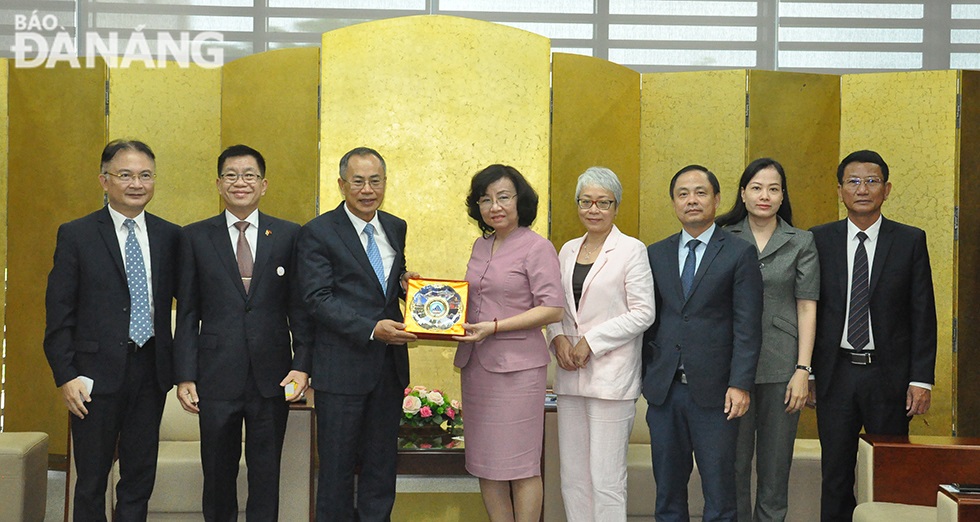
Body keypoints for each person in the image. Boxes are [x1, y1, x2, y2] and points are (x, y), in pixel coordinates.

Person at [173, 144, 312, 521]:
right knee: (218, 473)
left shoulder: (288, 234)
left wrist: (302, 365)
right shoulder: (194, 237)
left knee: (267, 472)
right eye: (231, 175)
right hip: (215, 374)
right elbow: (186, 312)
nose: (240, 182)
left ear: (264, 184)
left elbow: (299, 309)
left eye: (249, 175)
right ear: (218, 184)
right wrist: (185, 374)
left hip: (273, 374)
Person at [43, 139, 180, 520]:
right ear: (104, 180)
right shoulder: (77, 234)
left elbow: (187, 306)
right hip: (92, 378)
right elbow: (58, 314)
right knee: (91, 480)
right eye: (125, 175)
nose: (137, 183)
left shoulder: (171, 236)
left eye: (145, 175)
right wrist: (66, 375)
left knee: (139, 477)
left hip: (151, 371)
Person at [810, 150, 937, 522]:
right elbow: (808, 310)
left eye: (872, 181)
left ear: (887, 189)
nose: (862, 189)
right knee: (835, 474)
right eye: (853, 181)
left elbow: (922, 313)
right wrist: (810, 373)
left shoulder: (910, 240)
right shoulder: (818, 239)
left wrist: (921, 379)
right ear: (839, 191)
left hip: (890, 376)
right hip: (836, 374)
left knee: (890, 472)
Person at [296, 147, 418, 522]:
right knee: (336, 470)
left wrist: (407, 288)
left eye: (376, 181)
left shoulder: (395, 226)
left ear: (385, 183)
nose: (368, 189)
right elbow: (317, 299)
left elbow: (379, 285)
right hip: (341, 370)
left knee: (381, 467)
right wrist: (370, 329)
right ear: (342, 185)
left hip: (388, 370)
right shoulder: (318, 231)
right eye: (359, 181)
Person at [642, 164, 763, 522]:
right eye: (683, 194)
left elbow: (747, 326)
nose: (691, 200)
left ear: (717, 199)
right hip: (665, 393)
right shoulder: (656, 253)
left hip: (717, 393)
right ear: (673, 202)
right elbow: (650, 322)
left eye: (700, 192)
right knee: (667, 491)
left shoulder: (739, 253)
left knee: (719, 492)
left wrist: (740, 384)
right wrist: (647, 376)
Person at [453, 164, 564, 522]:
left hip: (518, 372)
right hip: (477, 368)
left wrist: (495, 327)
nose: (494, 206)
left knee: (521, 465)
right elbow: (473, 299)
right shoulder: (480, 244)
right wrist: (429, 299)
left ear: (521, 201)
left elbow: (552, 308)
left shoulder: (537, 247)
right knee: (486, 462)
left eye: (503, 197)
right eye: (485, 199)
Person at [546, 167, 656, 521]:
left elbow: (644, 313)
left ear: (616, 206)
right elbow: (556, 306)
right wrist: (558, 337)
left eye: (603, 202)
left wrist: (591, 341)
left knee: (607, 479)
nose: (593, 209)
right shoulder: (566, 250)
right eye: (586, 201)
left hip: (611, 377)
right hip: (569, 375)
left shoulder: (631, 250)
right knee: (573, 477)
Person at [715, 158, 820, 522]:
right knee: (733, 466)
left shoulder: (801, 240)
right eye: (757, 188)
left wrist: (803, 370)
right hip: (732, 368)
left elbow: (807, 307)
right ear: (742, 194)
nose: (765, 195)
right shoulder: (722, 236)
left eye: (773, 189)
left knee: (776, 468)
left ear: (782, 196)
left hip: (782, 366)